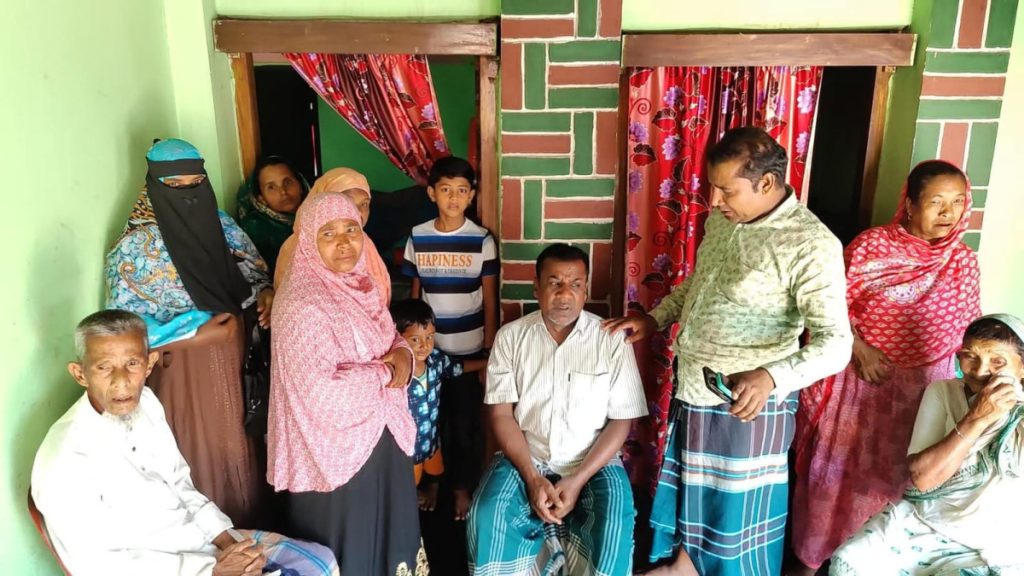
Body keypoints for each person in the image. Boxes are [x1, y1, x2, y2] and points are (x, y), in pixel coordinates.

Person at [604, 127, 852, 576]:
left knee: (733, 521)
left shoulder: (810, 244)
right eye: (713, 188)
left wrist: (771, 376)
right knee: (696, 503)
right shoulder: (723, 221)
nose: (714, 201)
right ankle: (682, 568)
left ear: (767, 183)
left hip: (748, 406)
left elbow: (837, 343)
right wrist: (654, 319)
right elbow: (698, 286)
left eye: (727, 190)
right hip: (695, 389)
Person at [31, 310, 338, 576]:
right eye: (104, 367)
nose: (121, 380)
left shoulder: (147, 403)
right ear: (80, 374)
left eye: (132, 363)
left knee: (321, 562)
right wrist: (211, 570)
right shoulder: (65, 457)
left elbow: (180, 483)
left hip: (200, 545)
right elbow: (95, 565)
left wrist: (229, 545)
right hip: (163, 569)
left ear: (149, 364)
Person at [789, 160, 981, 573]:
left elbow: (969, 335)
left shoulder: (963, 261)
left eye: (957, 202)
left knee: (898, 484)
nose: (948, 213)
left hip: (923, 397)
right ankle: (810, 564)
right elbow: (826, 308)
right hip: (859, 386)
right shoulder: (870, 247)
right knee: (837, 476)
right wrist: (859, 348)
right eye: (936, 201)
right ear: (909, 204)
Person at [105, 138, 271, 524]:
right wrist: (196, 333)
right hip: (181, 367)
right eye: (175, 186)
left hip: (238, 355)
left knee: (243, 441)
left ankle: (256, 528)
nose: (188, 193)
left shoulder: (221, 224)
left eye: (196, 183)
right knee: (201, 449)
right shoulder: (133, 248)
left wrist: (266, 293)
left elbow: (255, 273)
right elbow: (125, 329)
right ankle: (213, 534)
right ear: (153, 185)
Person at [268, 191, 427, 575]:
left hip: (380, 439)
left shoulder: (361, 285)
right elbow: (323, 393)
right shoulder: (300, 304)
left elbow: (390, 337)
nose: (344, 242)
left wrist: (402, 352)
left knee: (390, 539)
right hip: (333, 452)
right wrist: (388, 372)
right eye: (328, 233)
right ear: (308, 241)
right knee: (351, 546)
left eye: (351, 229)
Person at [467, 243, 648, 576]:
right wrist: (533, 478)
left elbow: (622, 420)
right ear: (536, 287)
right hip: (527, 454)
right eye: (554, 283)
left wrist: (577, 480)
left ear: (586, 290)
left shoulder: (611, 339)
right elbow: (501, 415)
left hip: (592, 458)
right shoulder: (511, 338)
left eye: (575, 284)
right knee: (486, 514)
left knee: (614, 524)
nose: (565, 294)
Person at [830, 314, 1024, 575]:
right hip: (929, 520)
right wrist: (977, 417)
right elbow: (923, 478)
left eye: (997, 361)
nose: (979, 371)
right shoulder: (943, 392)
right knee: (847, 563)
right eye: (970, 356)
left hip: (994, 541)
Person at [402, 156, 499, 519]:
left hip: (468, 350)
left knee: (462, 425)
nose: (454, 198)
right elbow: (415, 295)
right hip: (426, 353)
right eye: (445, 190)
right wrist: (409, 346)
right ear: (432, 193)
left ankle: (460, 487)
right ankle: (433, 482)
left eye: (461, 191)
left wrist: (488, 352)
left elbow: (490, 299)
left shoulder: (481, 240)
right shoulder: (418, 236)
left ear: (472, 195)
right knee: (426, 422)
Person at [390, 298, 488, 512]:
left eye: (429, 337)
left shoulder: (435, 360)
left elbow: (458, 367)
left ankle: (432, 491)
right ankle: (409, 515)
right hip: (410, 448)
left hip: (432, 440)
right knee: (408, 486)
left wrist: (487, 363)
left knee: (435, 470)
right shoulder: (396, 372)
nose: (424, 345)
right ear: (397, 338)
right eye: (414, 339)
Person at [275, 167, 392, 306]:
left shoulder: (364, 241)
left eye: (364, 204)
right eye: (347, 202)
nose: (358, 212)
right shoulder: (298, 247)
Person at [236, 155, 309, 275]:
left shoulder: (318, 217)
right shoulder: (257, 228)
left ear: (300, 185)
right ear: (261, 199)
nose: (283, 192)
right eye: (271, 187)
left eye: (288, 182)